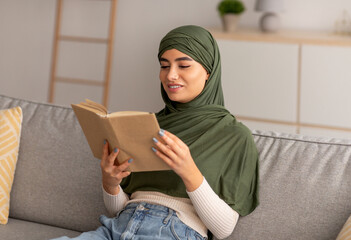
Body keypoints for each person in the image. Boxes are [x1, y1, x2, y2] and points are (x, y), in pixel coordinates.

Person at [53, 25, 259, 240]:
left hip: (174, 232)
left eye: (184, 66)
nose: (171, 75)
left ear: (208, 71)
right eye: (164, 65)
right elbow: (117, 210)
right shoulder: (147, 126)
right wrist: (110, 183)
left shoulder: (234, 136)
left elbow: (224, 229)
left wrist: (189, 171)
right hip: (117, 227)